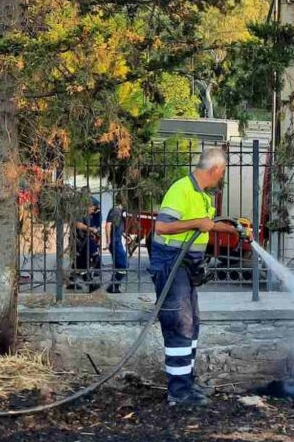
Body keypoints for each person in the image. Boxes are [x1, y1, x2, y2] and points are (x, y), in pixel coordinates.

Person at [149, 148, 246, 407]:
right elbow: (162, 226)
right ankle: (178, 393)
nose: (222, 177)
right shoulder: (180, 189)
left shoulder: (202, 196)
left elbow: (207, 223)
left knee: (192, 325)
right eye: (223, 172)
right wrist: (195, 223)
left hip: (187, 266)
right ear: (214, 169)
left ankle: (188, 383)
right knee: (179, 324)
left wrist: (234, 229)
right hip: (171, 264)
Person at [67, 196, 102, 291]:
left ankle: (71, 282)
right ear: (88, 206)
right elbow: (78, 225)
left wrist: (93, 233)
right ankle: (90, 285)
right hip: (78, 242)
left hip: (84, 241)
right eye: (92, 208)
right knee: (82, 264)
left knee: (78, 264)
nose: (93, 211)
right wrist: (91, 229)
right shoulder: (79, 212)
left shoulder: (88, 215)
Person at [105, 193, 128, 294]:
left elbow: (117, 227)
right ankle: (113, 286)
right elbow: (108, 225)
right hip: (115, 242)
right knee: (123, 265)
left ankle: (114, 286)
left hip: (117, 240)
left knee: (118, 265)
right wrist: (108, 240)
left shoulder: (119, 211)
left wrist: (125, 235)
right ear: (122, 201)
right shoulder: (115, 211)